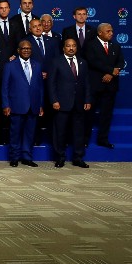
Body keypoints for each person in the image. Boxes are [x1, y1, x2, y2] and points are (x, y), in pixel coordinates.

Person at [48, 39, 92, 168]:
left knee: (79, 132)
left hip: (79, 104)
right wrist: (54, 100)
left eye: (73, 46)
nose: (71, 48)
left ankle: (78, 157)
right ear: (63, 48)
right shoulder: (56, 62)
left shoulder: (83, 62)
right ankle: (60, 157)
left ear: (76, 48)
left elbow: (87, 83)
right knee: (60, 132)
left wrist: (88, 99)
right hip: (61, 103)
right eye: (68, 46)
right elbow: (51, 83)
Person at [2, 40, 44, 167]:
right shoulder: (10, 66)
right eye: (23, 48)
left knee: (30, 134)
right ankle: (14, 157)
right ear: (18, 50)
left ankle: (27, 157)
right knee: (15, 134)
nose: (26, 50)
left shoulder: (37, 65)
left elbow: (40, 87)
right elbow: (5, 87)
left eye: (29, 48)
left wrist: (41, 104)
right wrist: (5, 105)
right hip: (16, 105)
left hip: (33, 106)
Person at [84, 23, 125, 149]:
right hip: (95, 85)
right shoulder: (90, 45)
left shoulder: (116, 46)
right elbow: (92, 61)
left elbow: (121, 62)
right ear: (100, 33)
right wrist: (109, 70)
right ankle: (85, 140)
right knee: (88, 115)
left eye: (112, 31)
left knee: (106, 115)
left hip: (111, 85)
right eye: (108, 31)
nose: (111, 33)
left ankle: (103, 139)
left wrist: (111, 74)